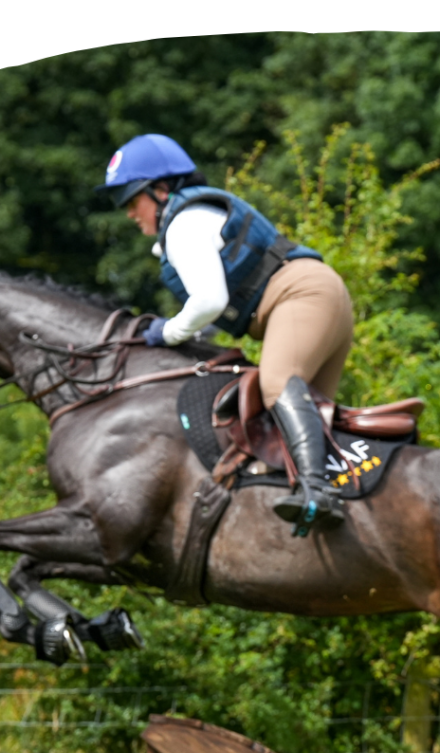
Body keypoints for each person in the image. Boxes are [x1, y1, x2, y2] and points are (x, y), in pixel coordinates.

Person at [95, 133, 353, 537]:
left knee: (277, 386)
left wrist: (168, 332)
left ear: (161, 191)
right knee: (310, 430)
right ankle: (342, 500)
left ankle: (316, 494)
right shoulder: (193, 219)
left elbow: (210, 302)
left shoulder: (183, 224)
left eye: (131, 200)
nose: (128, 213)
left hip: (302, 295)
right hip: (318, 295)